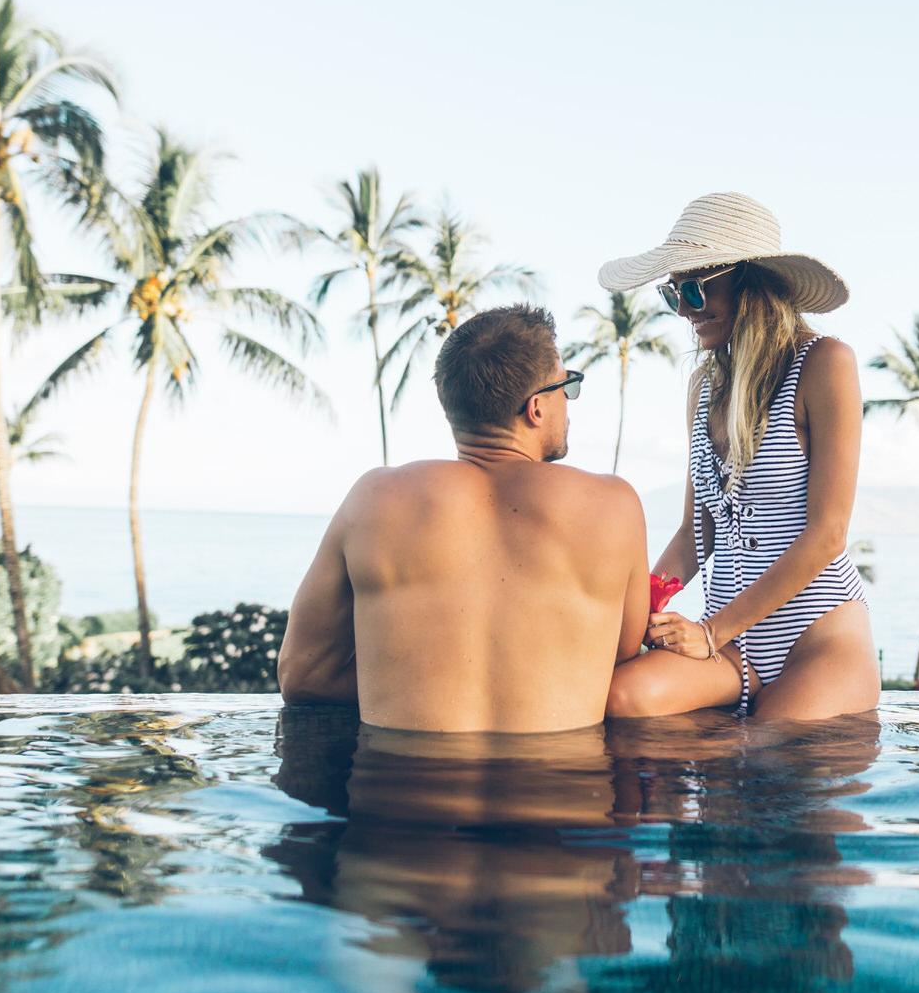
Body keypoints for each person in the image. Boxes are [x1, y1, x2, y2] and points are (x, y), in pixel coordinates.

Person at [278, 304, 651, 732]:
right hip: (560, 789)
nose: (568, 402)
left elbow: (303, 676)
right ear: (536, 408)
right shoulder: (613, 505)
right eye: (565, 387)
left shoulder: (374, 499)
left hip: (398, 794)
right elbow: (619, 658)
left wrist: (409, 682)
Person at [602, 192, 880, 722]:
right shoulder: (705, 387)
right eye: (672, 294)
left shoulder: (824, 363)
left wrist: (710, 632)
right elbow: (694, 534)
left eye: (692, 290)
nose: (683, 310)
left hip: (817, 642)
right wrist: (635, 608)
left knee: (768, 755)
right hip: (729, 646)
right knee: (623, 701)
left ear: (750, 282)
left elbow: (828, 534)